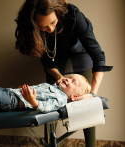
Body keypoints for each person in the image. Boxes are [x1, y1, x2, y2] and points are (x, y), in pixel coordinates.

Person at [14, 0, 113, 146]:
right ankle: (50, 143)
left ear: (57, 12)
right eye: (44, 27)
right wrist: (59, 77)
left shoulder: (73, 16)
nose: (51, 29)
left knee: (86, 104)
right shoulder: (33, 30)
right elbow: (47, 62)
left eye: (53, 22)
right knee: (47, 98)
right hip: (54, 56)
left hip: (80, 51)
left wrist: (92, 95)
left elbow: (98, 56)